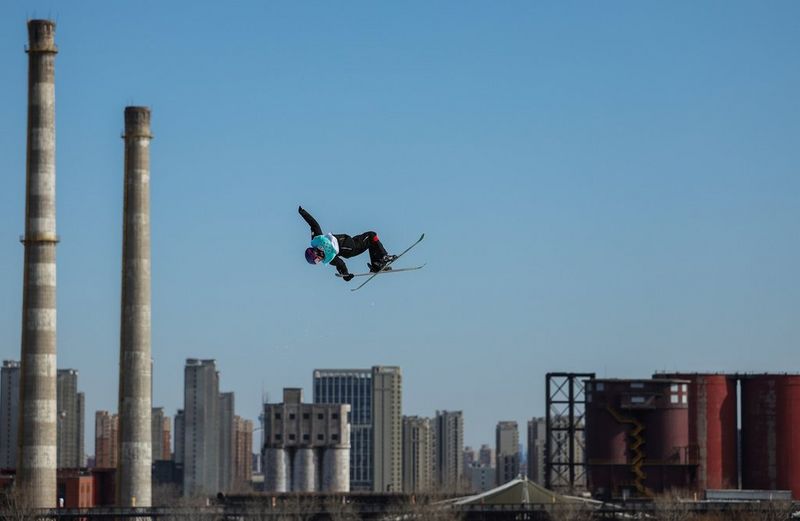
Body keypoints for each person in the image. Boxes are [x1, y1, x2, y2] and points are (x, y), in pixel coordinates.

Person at [299, 206, 396, 281]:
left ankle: (377, 264)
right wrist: (345, 275)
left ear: (315, 253)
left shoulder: (317, 240)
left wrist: (303, 212)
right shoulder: (329, 257)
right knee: (371, 236)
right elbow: (340, 264)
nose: (319, 261)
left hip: (350, 241)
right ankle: (383, 257)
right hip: (352, 248)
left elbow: (314, 224)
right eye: (316, 262)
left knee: (370, 241)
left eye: (316, 260)